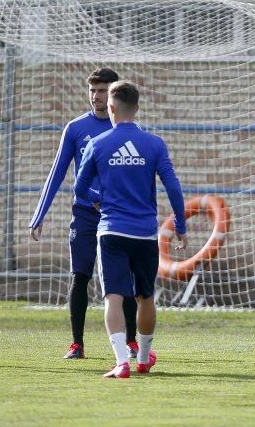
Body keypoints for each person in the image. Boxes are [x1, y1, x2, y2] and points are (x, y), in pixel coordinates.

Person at [74, 80, 188, 378]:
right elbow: (173, 187)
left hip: (111, 231)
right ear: (136, 108)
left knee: (113, 296)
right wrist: (181, 224)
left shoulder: (98, 144)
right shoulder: (154, 144)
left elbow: (80, 187)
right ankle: (145, 356)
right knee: (145, 297)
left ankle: (122, 362)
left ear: (110, 108)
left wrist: (99, 201)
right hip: (145, 233)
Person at [28, 68, 139, 359]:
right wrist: (39, 216)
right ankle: (77, 344)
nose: (96, 96)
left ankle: (131, 342)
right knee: (80, 275)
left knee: (122, 279)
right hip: (86, 215)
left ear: (113, 93)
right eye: (92, 90)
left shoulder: (126, 130)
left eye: (102, 91)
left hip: (118, 216)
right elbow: (58, 172)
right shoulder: (76, 128)